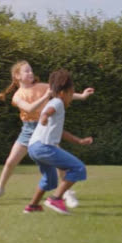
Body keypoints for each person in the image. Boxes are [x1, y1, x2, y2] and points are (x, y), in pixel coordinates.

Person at [0, 61, 94, 207]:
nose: (30, 73)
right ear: (17, 76)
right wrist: (45, 96)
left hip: (45, 129)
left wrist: (82, 96)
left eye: (31, 70)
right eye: (26, 71)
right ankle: (0, 189)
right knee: (11, 161)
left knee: (60, 164)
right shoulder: (17, 96)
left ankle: (67, 193)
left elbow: (64, 93)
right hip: (28, 130)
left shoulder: (42, 87)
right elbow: (29, 109)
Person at [24, 69, 93, 214]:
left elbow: (60, 132)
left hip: (33, 147)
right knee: (78, 167)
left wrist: (78, 141)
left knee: (50, 179)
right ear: (63, 93)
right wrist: (44, 117)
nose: (71, 98)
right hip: (44, 147)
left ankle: (33, 206)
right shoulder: (58, 103)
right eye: (70, 94)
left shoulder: (56, 103)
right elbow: (48, 110)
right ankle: (56, 199)